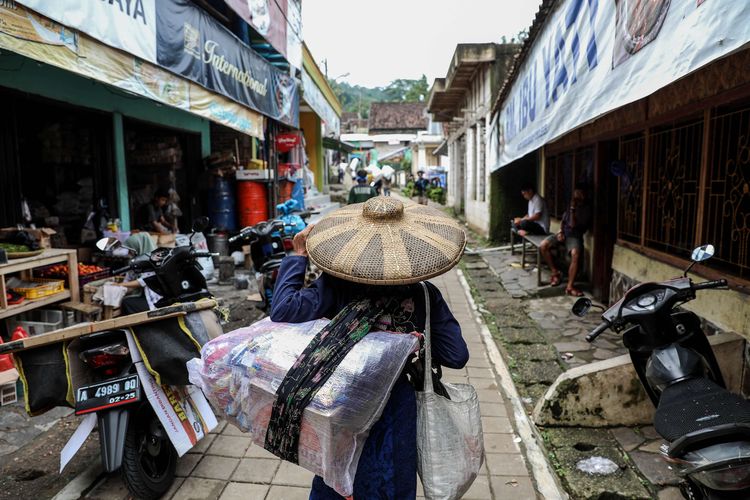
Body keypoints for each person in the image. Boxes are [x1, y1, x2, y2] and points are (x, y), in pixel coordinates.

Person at [270, 196, 469, 499]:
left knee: (337, 480)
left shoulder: (337, 286)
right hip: (395, 406)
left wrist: (298, 256)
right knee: (391, 480)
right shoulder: (425, 296)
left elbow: (283, 308)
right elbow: (457, 355)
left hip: (342, 401)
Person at [539, 184, 592, 297]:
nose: (576, 197)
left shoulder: (586, 209)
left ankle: (570, 286)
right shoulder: (571, 205)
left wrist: (573, 209)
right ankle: (555, 272)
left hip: (575, 236)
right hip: (563, 234)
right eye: (575, 194)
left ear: (583, 196)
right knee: (543, 245)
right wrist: (560, 231)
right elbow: (563, 219)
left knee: (575, 254)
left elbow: (573, 225)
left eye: (579, 195)